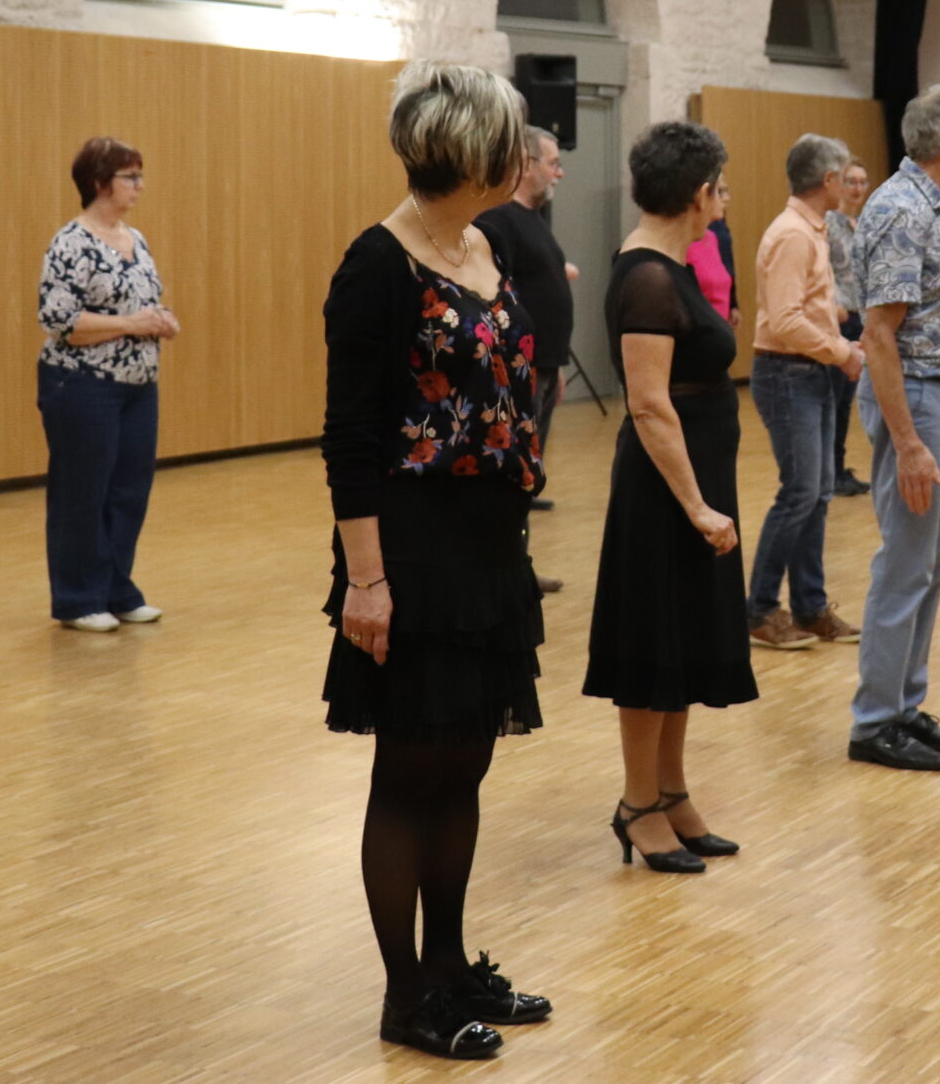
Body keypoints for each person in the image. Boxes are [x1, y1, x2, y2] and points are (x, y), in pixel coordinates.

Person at [320, 62, 551, 1061]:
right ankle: (405, 994)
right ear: (475, 154)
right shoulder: (378, 264)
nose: (523, 155)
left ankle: (452, 967)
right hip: (411, 549)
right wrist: (366, 581)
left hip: (487, 545)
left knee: (465, 761)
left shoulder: (482, 245)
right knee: (411, 768)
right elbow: (351, 439)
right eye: (511, 141)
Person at [584, 121, 757, 873]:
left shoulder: (678, 260)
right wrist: (695, 504)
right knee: (654, 643)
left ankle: (672, 791)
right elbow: (650, 404)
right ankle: (636, 802)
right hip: (666, 489)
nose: (724, 195)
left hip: (699, 476)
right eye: (719, 182)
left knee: (686, 636)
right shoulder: (648, 273)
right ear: (697, 192)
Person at [846, 83, 940, 773]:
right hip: (918, 399)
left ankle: (905, 704)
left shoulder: (938, 206)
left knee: (933, 562)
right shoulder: (902, 209)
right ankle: (875, 721)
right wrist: (909, 441)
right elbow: (879, 336)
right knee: (905, 564)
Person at [37, 136, 176, 633]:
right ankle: (78, 598)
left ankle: (117, 588)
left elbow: (138, 305)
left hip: (138, 386)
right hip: (81, 386)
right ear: (99, 183)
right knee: (83, 491)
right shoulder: (70, 243)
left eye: (140, 176)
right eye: (129, 177)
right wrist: (134, 325)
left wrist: (159, 319)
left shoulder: (135, 239)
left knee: (128, 492)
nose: (139, 186)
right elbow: (59, 320)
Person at [746, 134, 866, 653]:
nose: (848, 182)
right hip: (788, 373)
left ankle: (811, 608)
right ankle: (759, 609)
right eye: (843, 174)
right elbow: (785, 319)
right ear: (827, 180)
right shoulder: (794, 234)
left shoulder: (812, 229)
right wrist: (841, 352)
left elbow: (806, 309)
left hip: (810, 371)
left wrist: (839, 339)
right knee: (799, 493)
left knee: (816, 493)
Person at [475, 126, 577, 591]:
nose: (559, 171)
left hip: (544, 368)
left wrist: (554, 367)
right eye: (551, 162)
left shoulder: (536, 220)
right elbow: (497, 297)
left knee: (527, 473)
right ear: (525, 164)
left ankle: (520, 566)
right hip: (520, 373)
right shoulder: (499, 221)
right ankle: (507, 568)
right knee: (513, 473)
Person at [826, 161, 872, 497]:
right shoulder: (828, 223)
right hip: (838, 316)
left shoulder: (865, 223)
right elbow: (820, 269)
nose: (857, 187)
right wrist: (832, 305)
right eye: (850, 181)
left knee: (848, 398)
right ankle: (831, 470)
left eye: (862, 181)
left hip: (861, 316)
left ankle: (838, 467)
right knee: (836, 396)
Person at [684, 178, 736, 322]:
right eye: (719, 192)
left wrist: (733, 304)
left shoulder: (712, 237)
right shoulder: (684, 242)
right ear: (701, 196)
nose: (726, 199)